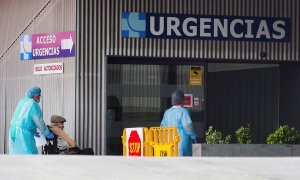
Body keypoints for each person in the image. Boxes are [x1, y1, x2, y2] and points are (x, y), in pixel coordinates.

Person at [9, 86, 54, 154]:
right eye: (39, 95)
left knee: (16, 154)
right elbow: (38, 120)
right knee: (28, 155)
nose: (39, 98)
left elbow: (21, 118)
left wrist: (34, 130)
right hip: (24, 134)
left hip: (13, 131)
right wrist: (47, 133)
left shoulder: (22, 101)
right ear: (36, 95)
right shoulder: (33, 103)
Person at [160, 90, 197, 156]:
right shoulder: (184, 111)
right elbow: (188, 127)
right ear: (182, 99)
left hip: (169, 142)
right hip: (181, 142)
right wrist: (194, 137)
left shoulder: (167, 112)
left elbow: (162, 127)